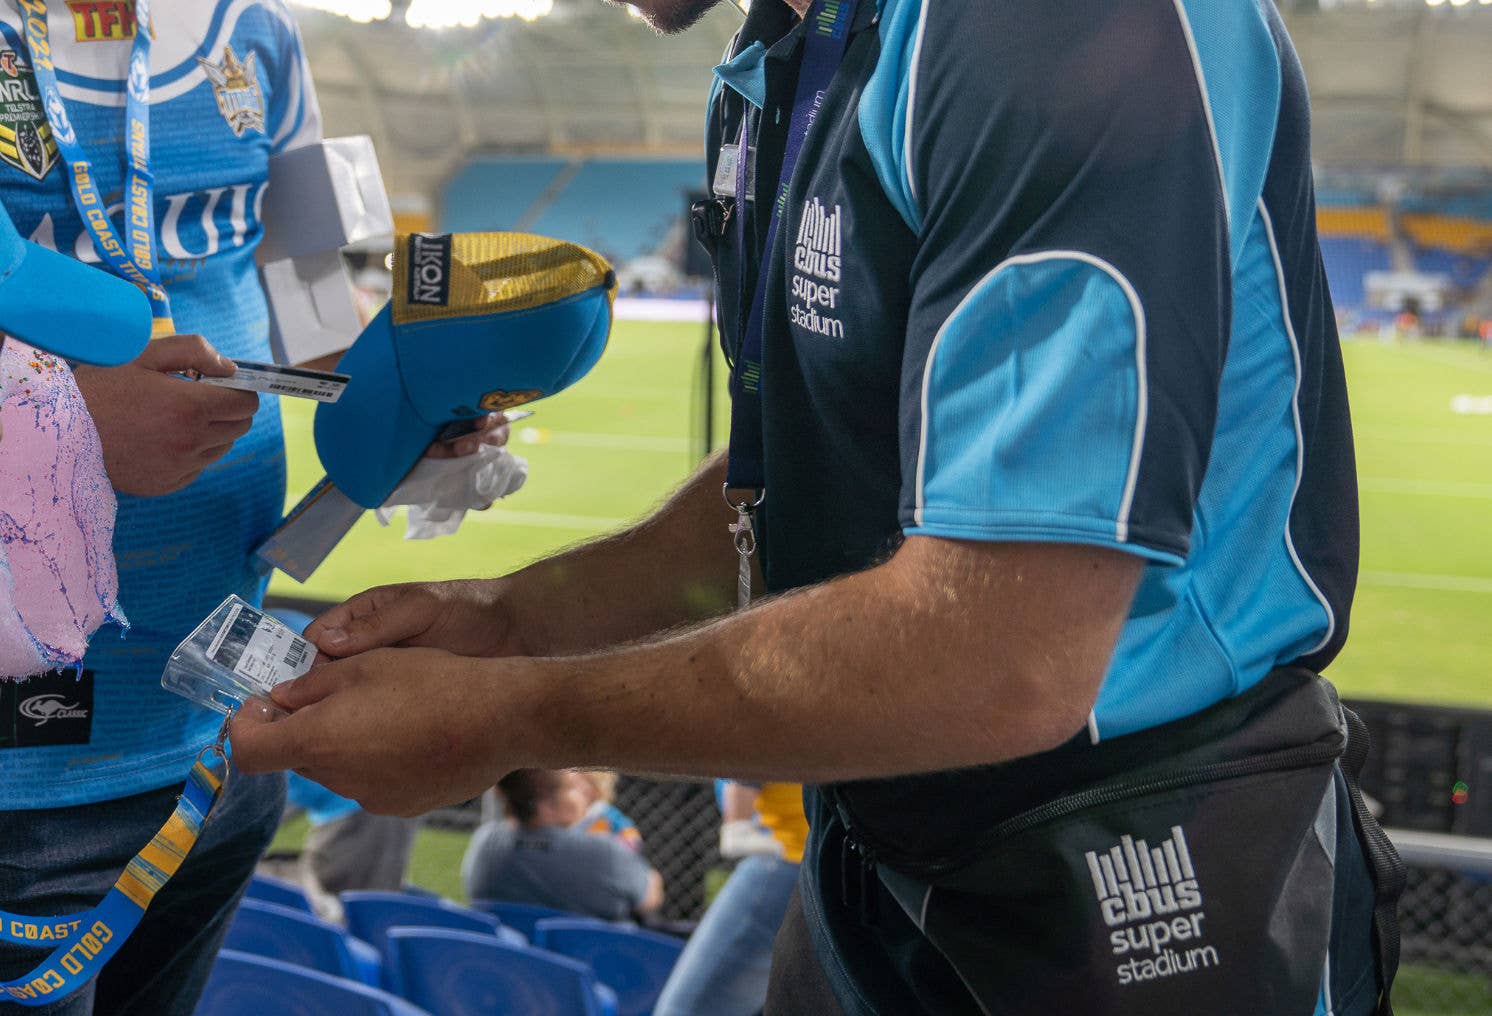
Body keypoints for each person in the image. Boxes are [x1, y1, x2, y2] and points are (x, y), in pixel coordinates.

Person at [233, 0, 1402, 1013]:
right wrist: (506, 620)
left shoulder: (1055, 27)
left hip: (1145, 866)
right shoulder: (784, 55)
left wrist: (509, 714)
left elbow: (1001, 650)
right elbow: (782, 484)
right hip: (878, 830)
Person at [0, 5, 504, 1014]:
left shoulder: (258, 36)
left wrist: (404, 406)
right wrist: (57, 430)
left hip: (222, 733)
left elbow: (312, 305)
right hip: (21, 792)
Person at [653, 782, 805, 1016]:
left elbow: (747, 761)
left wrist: (737, 823)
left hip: (785, 849)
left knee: (683, 1010)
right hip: (813, 847)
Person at [461, 769, 665, 921]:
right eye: (572, 787)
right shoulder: (605, 854)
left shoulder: (484, 845)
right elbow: (649, 898)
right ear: (546, 808)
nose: (583, 795)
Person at [575, 770, 644, 851]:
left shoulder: (605, 813)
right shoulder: (569, 810)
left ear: (599, 786)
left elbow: (633, 840)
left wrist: (610, 848)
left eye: (586, 782)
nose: (580, 787)